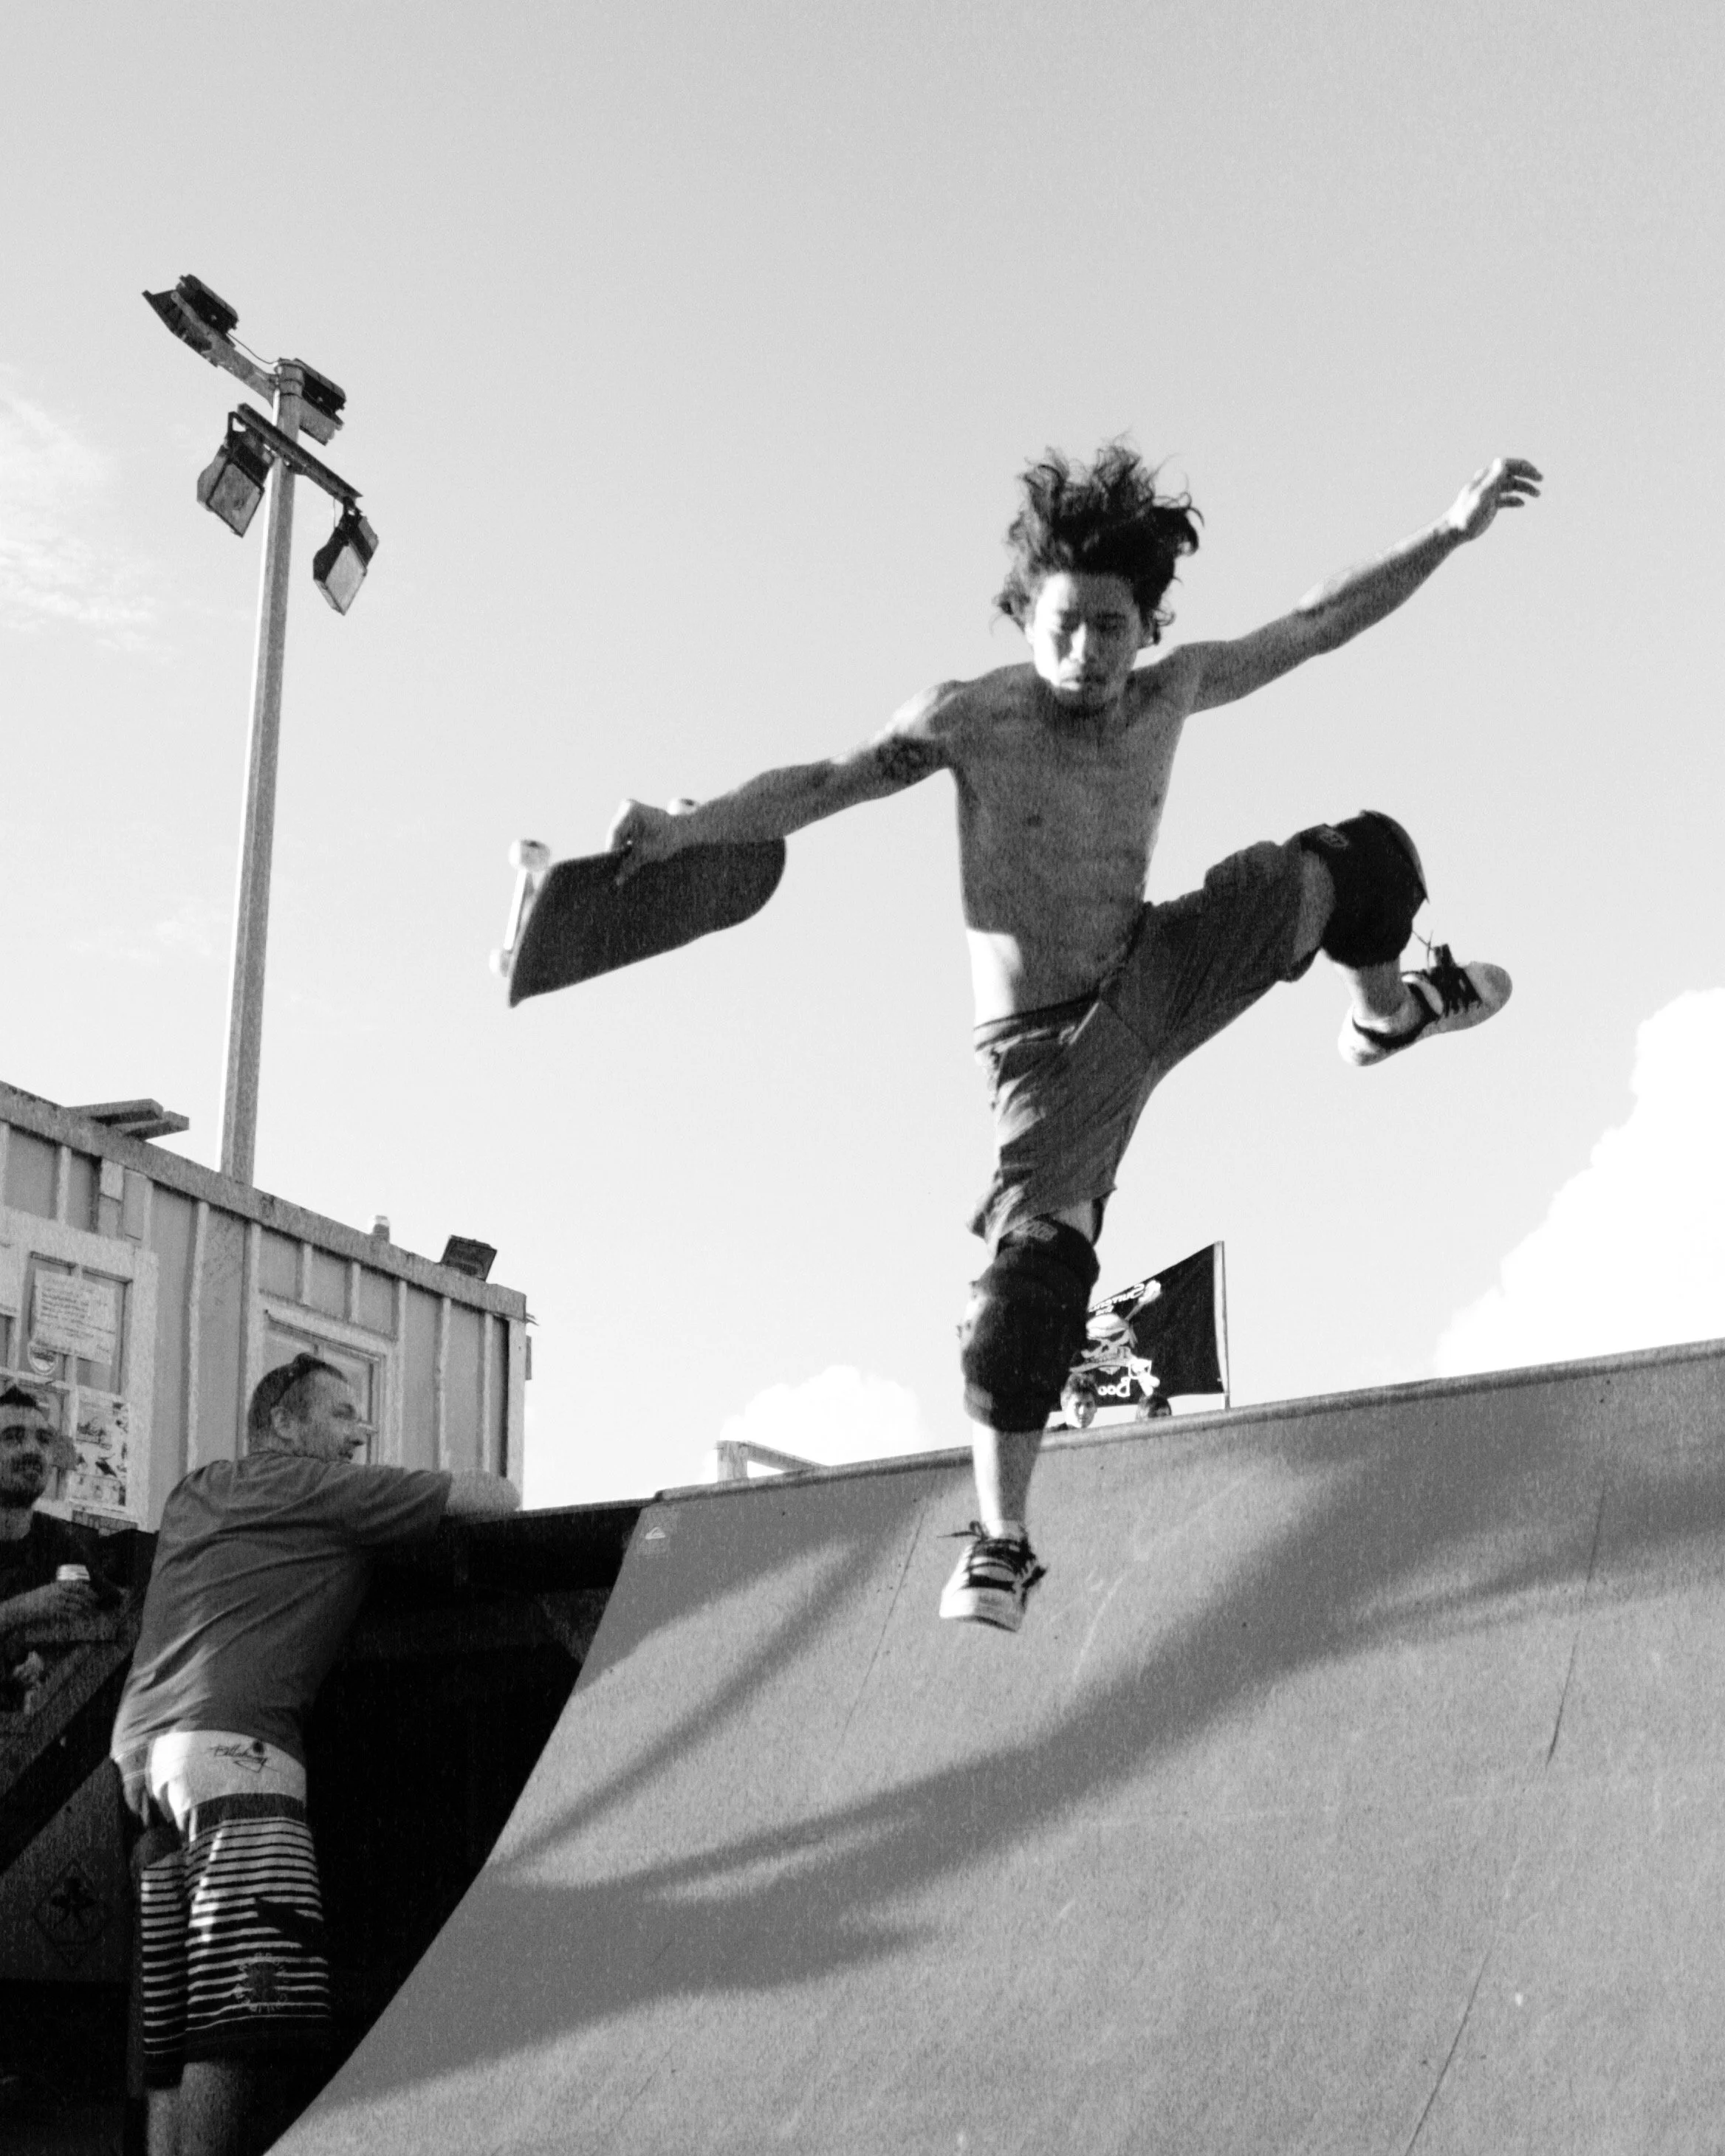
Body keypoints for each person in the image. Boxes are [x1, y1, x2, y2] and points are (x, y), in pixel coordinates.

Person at [607, 444, 1542, 1633]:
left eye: (1113, 628)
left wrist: (1448, 534)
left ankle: (1386, 1012)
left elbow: (1316, 625)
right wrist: (690, 829)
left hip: (1163, 963)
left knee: (1368, 861)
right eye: (1064, 626)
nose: (1087, 655)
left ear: (1147, 627)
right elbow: (823, 783)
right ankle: (1001, 1541)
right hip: (1049, 1055)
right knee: (1031, 1289)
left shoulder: (1173, 690)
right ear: (1025, 616)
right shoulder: (970, 718)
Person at [110, 1352, 520, 2156]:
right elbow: (497, 1496)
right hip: (237, 1755)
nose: (358, 1435)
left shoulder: (195, 1491)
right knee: (236, 2021)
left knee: (171, 2021)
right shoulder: (323, 1489)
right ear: (285, 1423)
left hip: (139, 1761)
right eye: (342, 1415)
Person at [0, 1382, 128, 1709]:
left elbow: (115, 1614)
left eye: (43, 1440)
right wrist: (25, 1608)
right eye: (12, 1437)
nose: (31, 1450)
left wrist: (49, 1657)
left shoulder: (57, 1540)